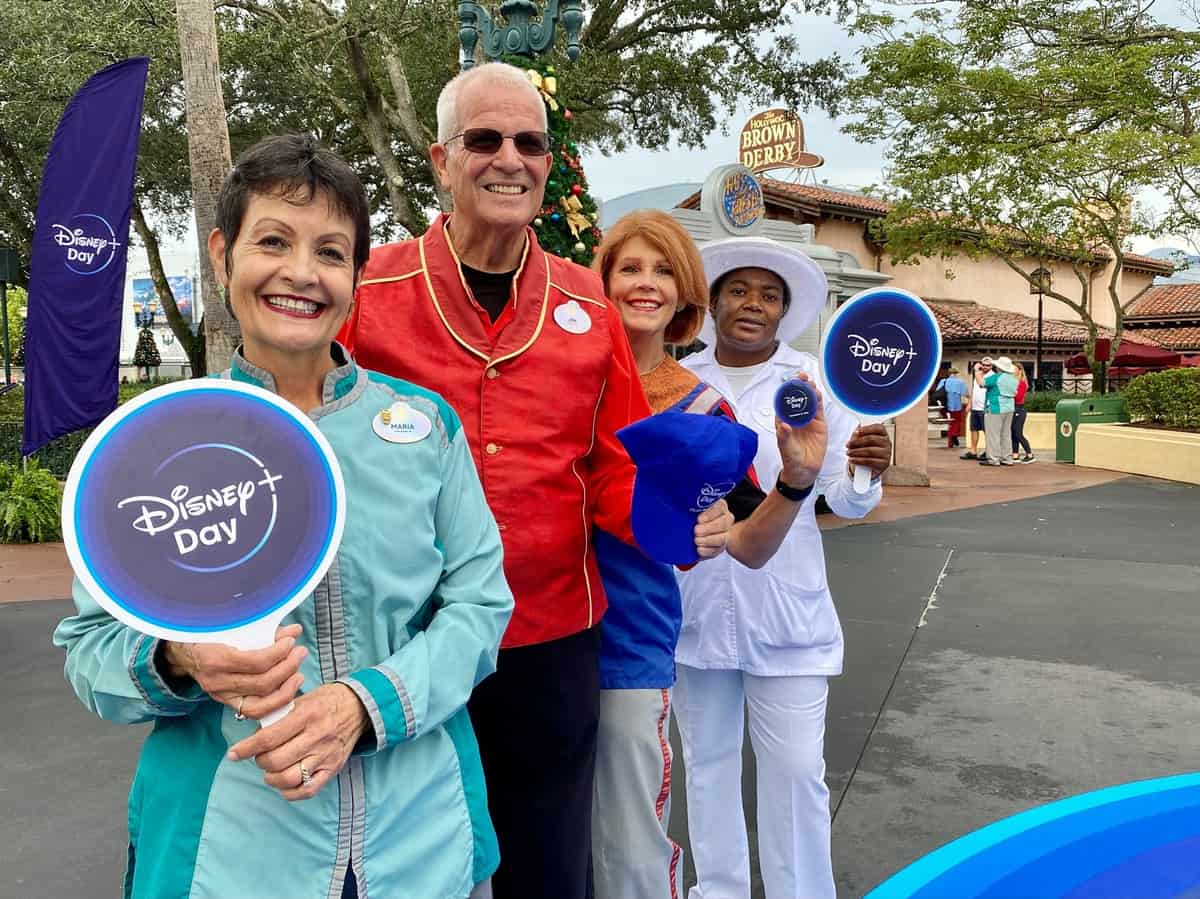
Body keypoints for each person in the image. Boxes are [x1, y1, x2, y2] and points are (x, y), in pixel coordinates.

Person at [53, 135, 513, 899]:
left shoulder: (422, 425)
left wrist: (365, 705)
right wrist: (178, 658)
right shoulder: (158, 444)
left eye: (332, 252)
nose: (302, 273)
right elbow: (90, 646)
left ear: (356, 276)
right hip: (228, 856)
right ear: (221, 253)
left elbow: (480, 603)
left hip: (422, 841)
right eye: (273, 241)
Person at [337, 64, 733, 899]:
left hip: (552, 637)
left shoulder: (589, 303)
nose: (509, 158)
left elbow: (614, 468)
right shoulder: (368, 292)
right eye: (485, 140)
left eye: (530, 142)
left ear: (548, 164)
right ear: (441, 159)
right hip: (407, 640)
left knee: (549, 863)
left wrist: (678, 520)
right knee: (411, 865)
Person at [589, 211, 828, 898]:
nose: (645, 284)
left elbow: (748, 541)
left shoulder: (701, 408)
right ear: (599, 282)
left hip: (633, 642)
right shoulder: (559, 377)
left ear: (685, 293)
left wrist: (796, 479)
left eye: (663, 270)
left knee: (634, 834)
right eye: (629, 268)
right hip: (537, 628)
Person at [674, 236, 893, 899]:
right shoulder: (679, 381)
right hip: (698, 609)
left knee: (797, 772)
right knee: (708, 769)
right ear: (712, 303)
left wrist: (866, 466)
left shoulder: (812, 383)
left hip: (788, 613)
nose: (752, 304)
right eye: (738, 290)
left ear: (785, 310)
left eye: (769, 294)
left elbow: (846, 498)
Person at [981, 355, 1018, 466]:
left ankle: (993, 459)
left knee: (993, 434)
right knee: (1006, 434)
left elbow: (981, 383)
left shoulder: (996, 377)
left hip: (995, 407)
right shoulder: (1013, 379)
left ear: (999, 367)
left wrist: (978, 372)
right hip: (1009, 408)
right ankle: (1007, 458)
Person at [962, 358, 991, 460]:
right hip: (975, 407)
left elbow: (982, 384)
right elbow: (974, 389)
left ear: (991, 366)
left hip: (985, 408)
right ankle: (973, 451)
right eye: (983, 364)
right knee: (974, 429)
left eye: (988, 365)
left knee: (987, 431)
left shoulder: (992, 376)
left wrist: (976, 371)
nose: (985, 367)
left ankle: (989, 451)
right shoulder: (977, 375)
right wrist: (969, 403)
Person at [937, 366, 967, 448]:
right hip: (957, 406)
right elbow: (965, 393)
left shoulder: (943, 381)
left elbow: (937, 392)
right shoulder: (960, 382)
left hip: (946, 406)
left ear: (949, 373)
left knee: (949, 423)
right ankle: (954, 435)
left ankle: (951, 439)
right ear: (956, 373)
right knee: (957, 422)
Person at [1011, 362, 1034, 462]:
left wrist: (1009, 393)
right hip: (1012, 409)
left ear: (1019, 370)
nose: (1012, 370)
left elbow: (1018, 397)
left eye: (1014, 368)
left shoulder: (1022, 383)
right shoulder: (1011, 381)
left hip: (1019, 409)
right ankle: (1015, 455)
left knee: (1018, 433)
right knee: (1013, 433)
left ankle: (1029, 455)